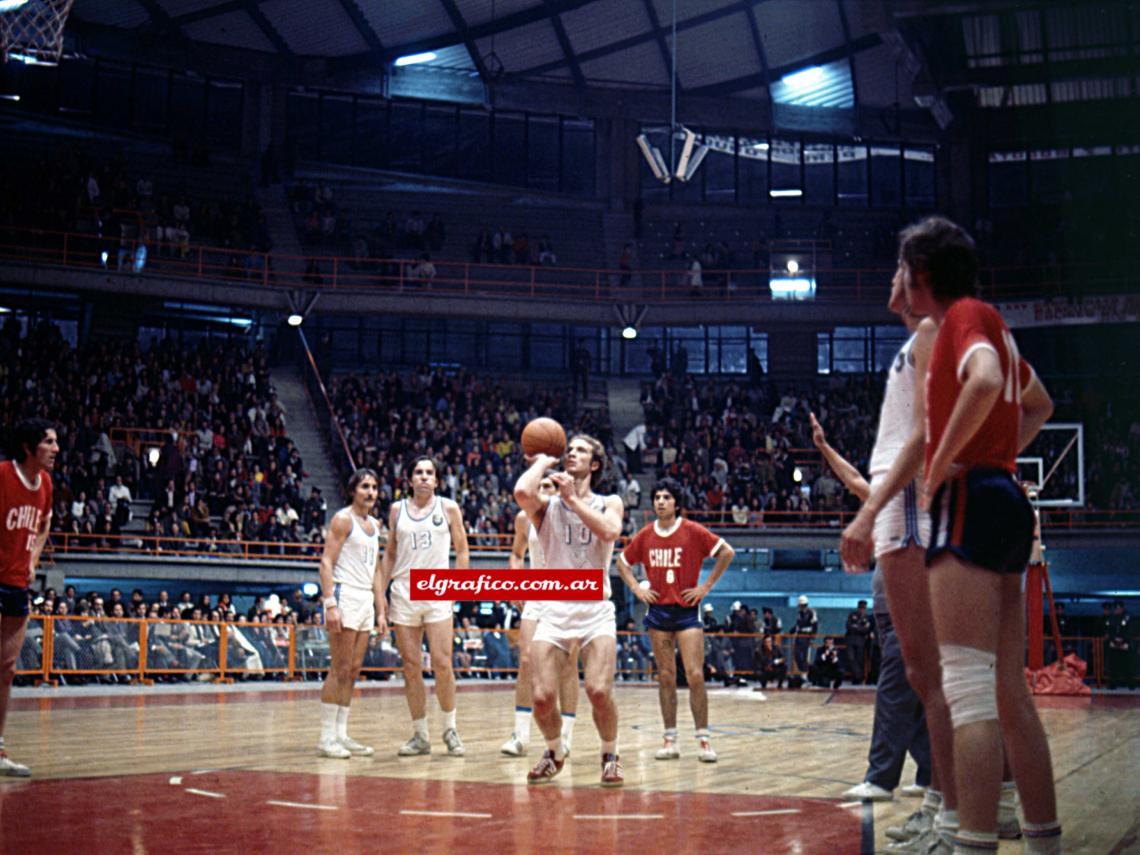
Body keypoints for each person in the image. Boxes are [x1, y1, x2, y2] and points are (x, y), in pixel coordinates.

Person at [851, 216, 1060, 854]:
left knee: (955, 683)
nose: (897, 282)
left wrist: (942, 463)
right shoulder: (978, 322)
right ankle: (1039, 837)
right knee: (1003, 687)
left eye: (903, 270)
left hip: (961, 500)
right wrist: (993, 454)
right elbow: (1037, 402)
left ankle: (962, 831)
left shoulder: (950, 326)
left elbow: (985, 384)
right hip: (1000, 494)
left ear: (921, 275)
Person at [514, 433, 625, 786]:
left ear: (594, 465)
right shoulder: (547, 507)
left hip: (595, 609)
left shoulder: (611, 502)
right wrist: (544, 460)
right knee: (543, 697)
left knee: (597, 690)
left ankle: (610, 753)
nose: (572, 454)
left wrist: (573, 500)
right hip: (555, 607)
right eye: (569, 450)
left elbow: (609, 532)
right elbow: (521, 493)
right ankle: (554, 752)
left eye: (581, 451)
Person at [616, 478, 734, 763]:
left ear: (676, 503)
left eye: (666, 497)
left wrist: (705, 588)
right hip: (658, 612)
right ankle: (670, 739)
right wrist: (636, 588)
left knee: (695, 675)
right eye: (656, 496)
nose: (660, 501)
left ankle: (703, 739)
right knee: (666, 677)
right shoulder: (645, 535)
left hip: (686, 612)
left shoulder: (692, 531)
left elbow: (726, 552)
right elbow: (622, 562)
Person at [379, 456, 470, 757]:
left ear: (437, 480)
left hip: (436, 588)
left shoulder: (448, 508)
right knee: (410, 666)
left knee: (443, 664)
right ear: (409, 479)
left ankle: (450, 729)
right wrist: (381, 593)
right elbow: (390, 553)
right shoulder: (396, 510)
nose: (423, 477)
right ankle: (420, 735)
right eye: (418, 472)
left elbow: (462, 549)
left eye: (429, 473)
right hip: (404, 590)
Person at [500, 473, 580, 757]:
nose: (544, 490)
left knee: (568, 666)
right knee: (525, 660)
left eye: (550, 486)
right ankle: (520, 735)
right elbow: (516, 554)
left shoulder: (574, 517)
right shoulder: (524, 518)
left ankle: (566, 736)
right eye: (540, 486)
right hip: (537, 593)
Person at [0, 419, 57, 776]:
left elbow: (45, 522)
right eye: (48, 442)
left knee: (6, 670)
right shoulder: (4, 476)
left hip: (17, 584)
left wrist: (34, 559)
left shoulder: (45, 484)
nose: (56, 449)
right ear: (28, 447)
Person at [316, 468, 384, 758]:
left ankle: (341, 733)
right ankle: (326, 737)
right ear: (353, 490)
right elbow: (326, 563)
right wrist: (330, 603)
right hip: (345, 594)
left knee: (354, 669)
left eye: (374, 487)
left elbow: (377, 570)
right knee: (340, 668)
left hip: (365, 598)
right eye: (365, 486)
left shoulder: (374, 525)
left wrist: (381, 609)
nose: (370, 492)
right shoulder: (343, 519)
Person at [845, 600, 874, 684]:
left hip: (861, 641)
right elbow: (849, 626)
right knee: (851, 658)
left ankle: (857, 678)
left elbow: (866, 629)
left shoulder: (867, 618)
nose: (861, 610)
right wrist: (860, 628)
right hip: (850, 639)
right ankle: (858, 676)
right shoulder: (852, 615)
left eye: (863, 608)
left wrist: (856, 627)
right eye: (860, 608)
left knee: (859, 659)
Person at [791, 595, 817, 676]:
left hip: (807, 635)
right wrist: (791, 631)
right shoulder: (799, 613)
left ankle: (805, 673)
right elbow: (797, 624)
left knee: (805, 654)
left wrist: (813, 635)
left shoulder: (811, 612)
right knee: (796, 653)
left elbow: (815, 624)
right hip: (799, 634)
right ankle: (803, 669)